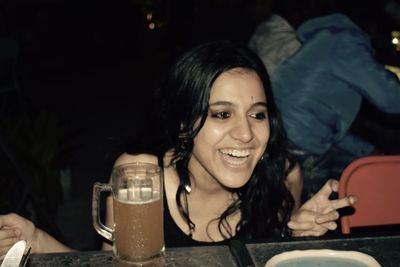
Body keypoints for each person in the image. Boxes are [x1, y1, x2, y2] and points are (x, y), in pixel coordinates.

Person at [0, 41, 356, 255]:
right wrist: (38, 241)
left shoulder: (283, 174)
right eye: (221, 114)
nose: (246, 134)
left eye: (258, 114)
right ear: (184, 124)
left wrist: (294, 236)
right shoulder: (141, 176)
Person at [269, 3, 400, 197]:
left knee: (363, 168)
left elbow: (325, 125)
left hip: (285, 135)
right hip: (297, 144)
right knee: (326, 206)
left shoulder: (328, 40)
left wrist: (366, 150)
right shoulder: (346, 43)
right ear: (371, 28)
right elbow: (392, 98)